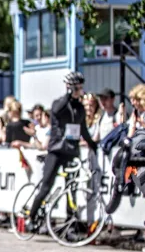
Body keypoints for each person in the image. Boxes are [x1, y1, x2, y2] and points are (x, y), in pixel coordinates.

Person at [26, 72, 97, 232]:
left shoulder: (79, 107)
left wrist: (93, 144)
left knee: (71, 188)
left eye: (80, 87)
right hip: (57, 150)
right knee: (46, 186)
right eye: (77, 87)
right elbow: (56, 110)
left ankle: (70, 225)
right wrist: (69, 93)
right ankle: (32, 216)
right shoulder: (60, 103)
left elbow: (83, 128)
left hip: (71, 151)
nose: (80, 90)